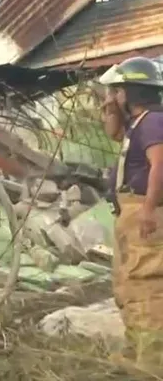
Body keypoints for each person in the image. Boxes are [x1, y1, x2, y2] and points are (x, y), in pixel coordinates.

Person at [99, 56, 163, 366]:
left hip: (144, 210)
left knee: (146, 287)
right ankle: (134, 355)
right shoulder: (137, 123)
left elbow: (160, 164)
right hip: (129, 211)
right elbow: (112, 132)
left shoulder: (152, 121)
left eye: (118, 90)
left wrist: (149, 209)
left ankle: (152, 365)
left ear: (130, 92)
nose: (113, 95)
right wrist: (111, 105)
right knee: (127, 286)